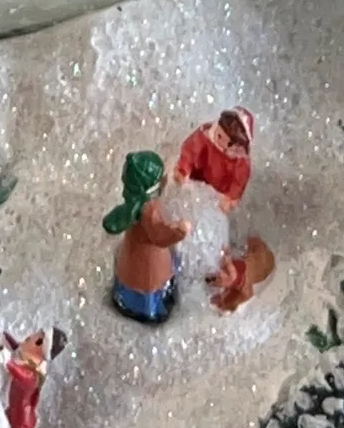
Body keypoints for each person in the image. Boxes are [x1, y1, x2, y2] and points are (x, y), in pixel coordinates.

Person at [103, 150, 191, 324]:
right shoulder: (149, 211)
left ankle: (129, 299)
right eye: (161, 177)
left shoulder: (135, 206)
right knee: (149, 291)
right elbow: (160, 235)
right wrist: (180, 231)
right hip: (149, 274)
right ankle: (146, 309)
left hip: (131, 262)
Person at [174, 108, 254, 209]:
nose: (221, 141)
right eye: (219, 135)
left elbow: (239, 181)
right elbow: (190, 151)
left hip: (217, 193)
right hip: (195, 178)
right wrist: (183, 169)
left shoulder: (240, 161)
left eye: (230, 143)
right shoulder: (204, 136)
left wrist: (231, 197)